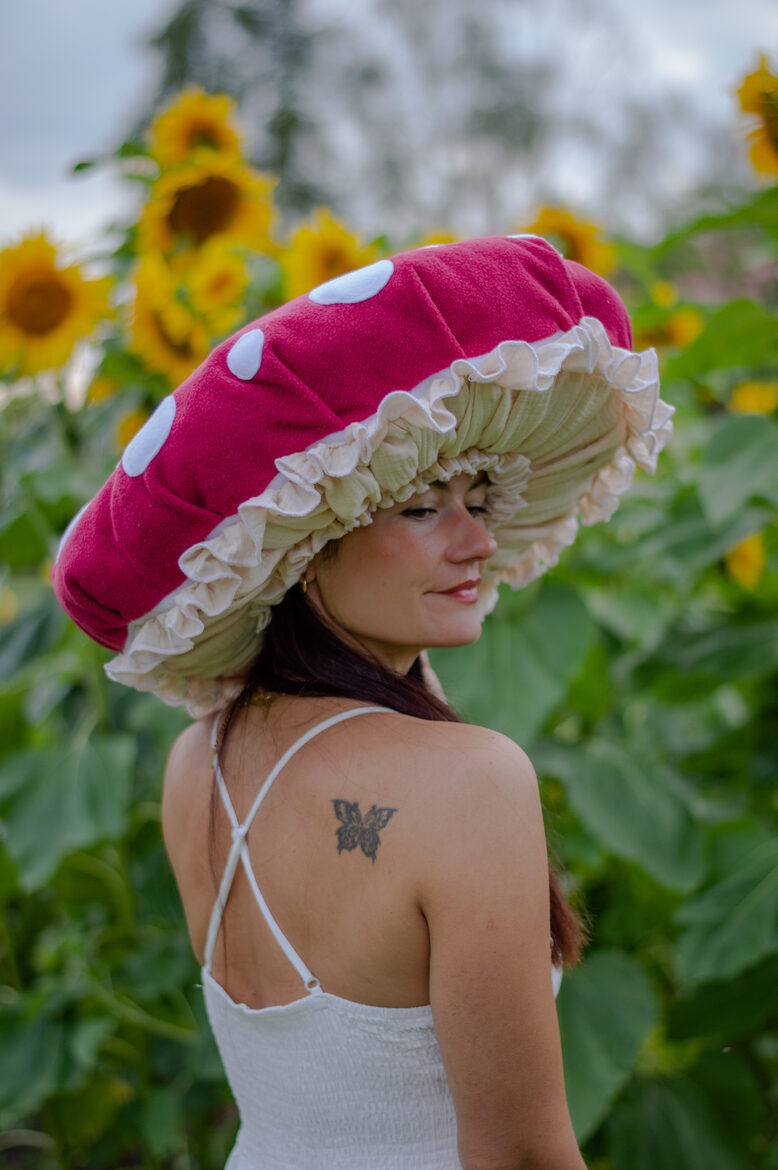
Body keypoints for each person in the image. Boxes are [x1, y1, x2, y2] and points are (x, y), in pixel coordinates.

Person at [52, 235, 672, 1170]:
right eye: (422, 508)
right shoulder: (470, 783)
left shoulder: (201, 760)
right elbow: (519, 1156)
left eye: (480, 496)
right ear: (302, 547)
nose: (475, 542)